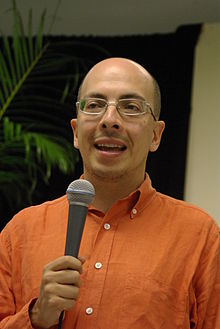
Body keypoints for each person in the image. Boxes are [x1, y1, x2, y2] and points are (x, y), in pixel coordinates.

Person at [0, 57, 219, 329]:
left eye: (131, 107)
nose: (110, 120)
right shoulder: (20, 233)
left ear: (155, 135)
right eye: (94, 105)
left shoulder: (199, 236)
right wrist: (36, 317)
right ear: (76, 132)